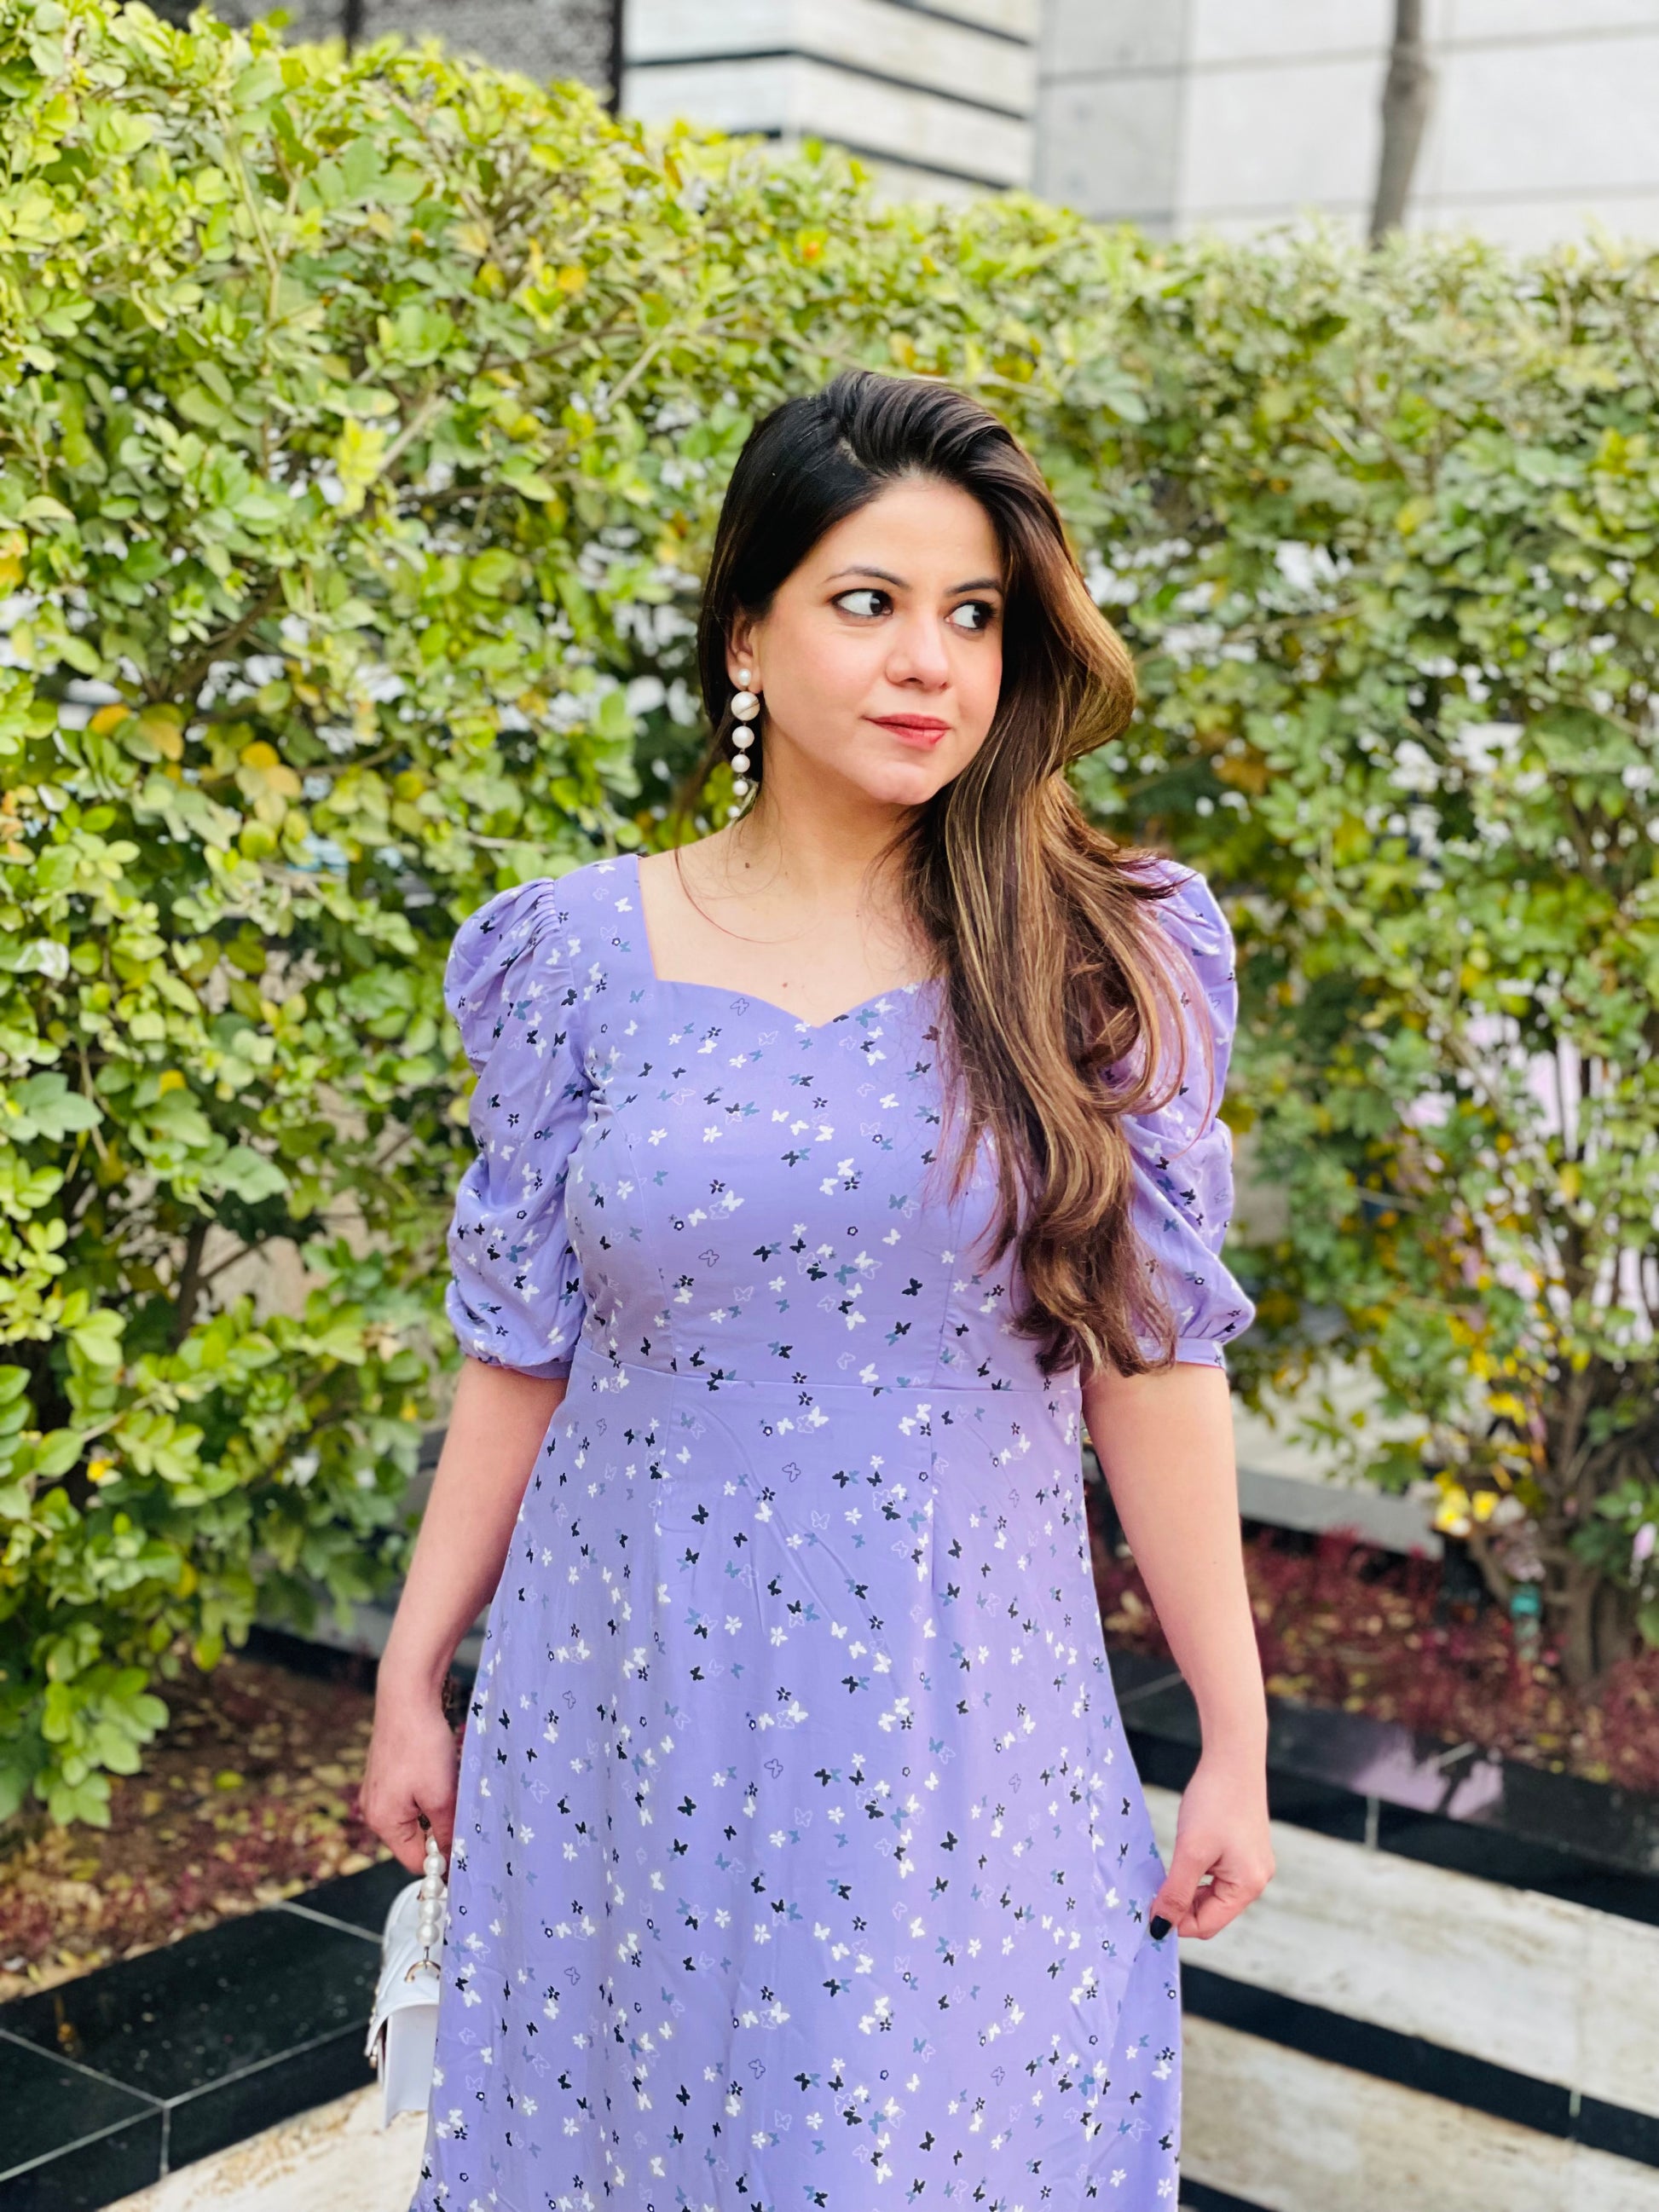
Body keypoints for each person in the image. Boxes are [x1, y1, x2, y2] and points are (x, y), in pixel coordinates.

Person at [363, 367, 1272, 2212]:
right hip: (618, 1691)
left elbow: (1154, 1364)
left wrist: (1233, 1732)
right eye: (867, 602)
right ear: (745, 638)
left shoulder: (1099, 952)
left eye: (974, 614)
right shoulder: (570, 953)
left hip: (957, 1710)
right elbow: (520, 1346)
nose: (929, 662)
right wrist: (410, 1668)